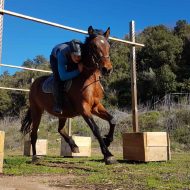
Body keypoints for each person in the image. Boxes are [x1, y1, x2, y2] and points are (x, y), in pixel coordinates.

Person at [50, 39, 83, 114]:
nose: (78, 58)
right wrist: (78, 71)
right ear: (71, 53)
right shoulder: (61, 55)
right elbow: (63, 76)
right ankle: (58, 104)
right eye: (75, 56)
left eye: (79, 56)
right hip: (55, 57)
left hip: (70, 56)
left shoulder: (81, 53)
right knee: (58, 78)